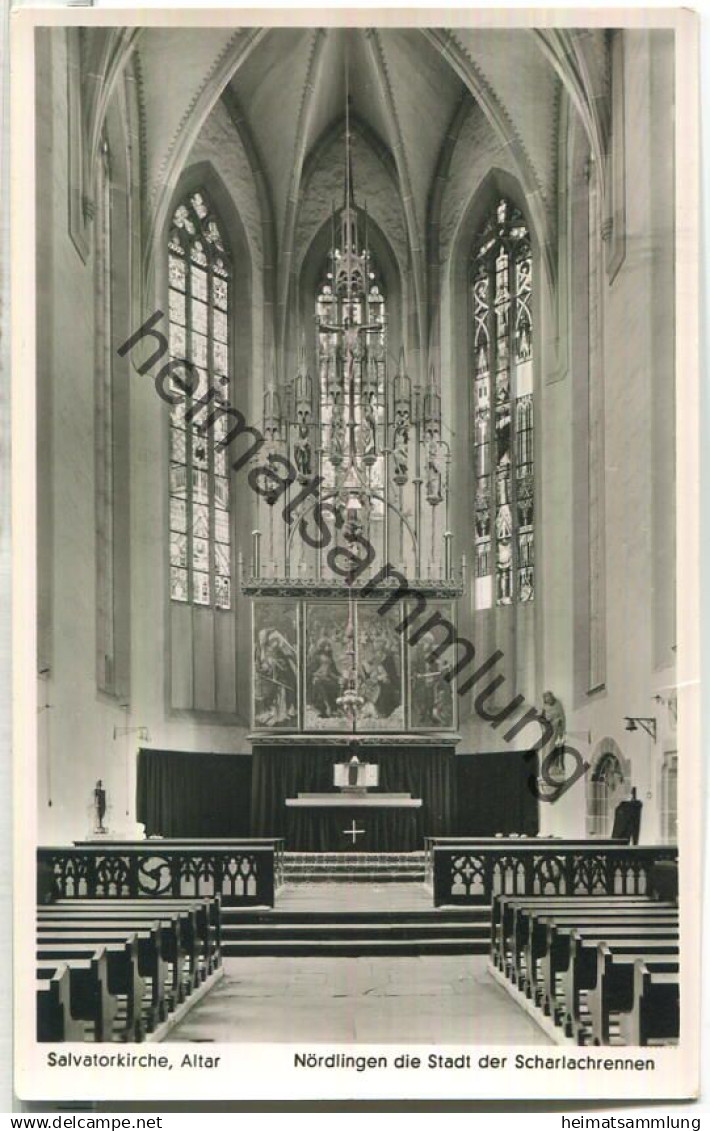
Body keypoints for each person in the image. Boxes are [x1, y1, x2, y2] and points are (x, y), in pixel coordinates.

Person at [541, 690, 566, 773]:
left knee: (557, 748)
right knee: (548, 748)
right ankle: (548, 767)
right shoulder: (545, 707)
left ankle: (557, 767)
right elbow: (542, 719)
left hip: (557, 730)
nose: (548, 700)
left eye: (549, 697)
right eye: (546, 698)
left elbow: (562, 716)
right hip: (548, 731)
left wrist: (561, 726)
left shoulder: (558, 704)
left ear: (552, 697)